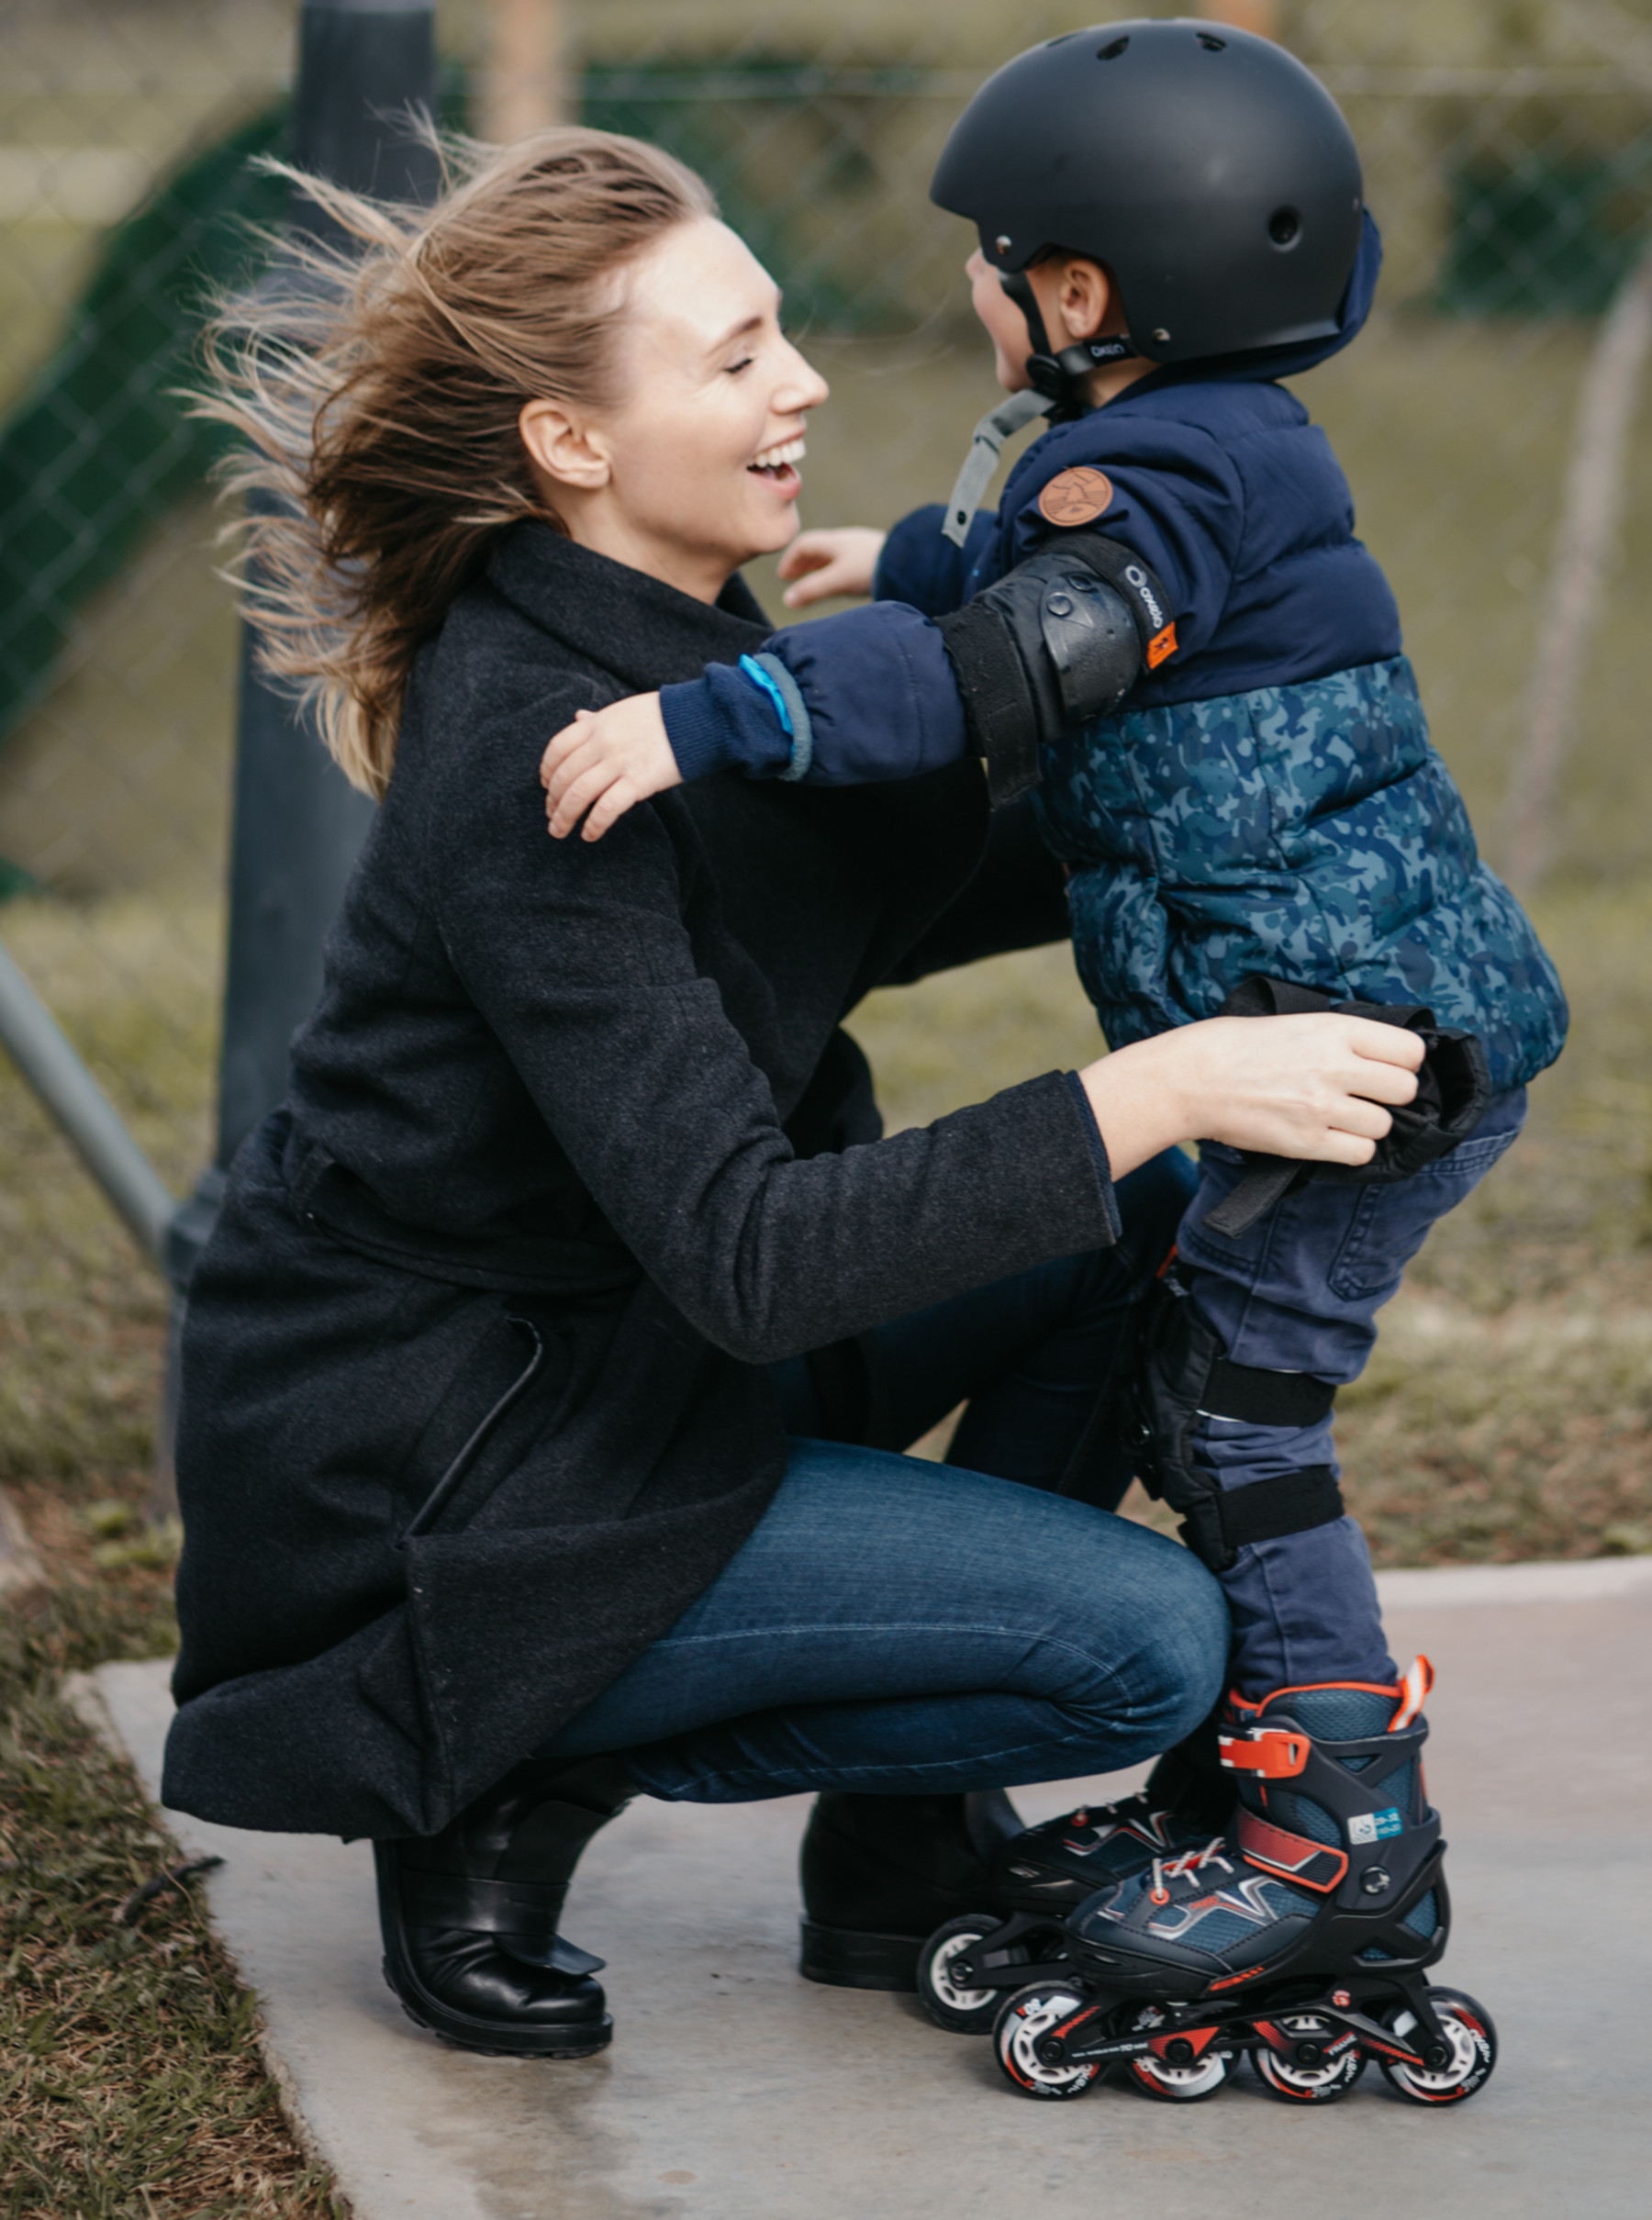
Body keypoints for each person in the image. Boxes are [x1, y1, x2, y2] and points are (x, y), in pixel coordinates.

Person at [164, 120, 1427, 2066]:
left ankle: (901, 1862)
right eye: (735, 352)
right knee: (1137, 1648)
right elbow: (758, 1257)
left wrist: (1301, 816)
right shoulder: (548, 755)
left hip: (636, 1355)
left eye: (781, 336)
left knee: (1133, 1235)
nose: (807, 382)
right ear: (572, 444)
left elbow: (926, 856)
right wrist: (1167, 1072)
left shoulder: (682, 665)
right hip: (460, 1470)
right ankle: (501, 1755)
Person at [537, 28, 1568, 2015]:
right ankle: (1262, 1772)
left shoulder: (1176, 473)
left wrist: (725, 708)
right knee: (1190, 1357)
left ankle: (1336, 1827)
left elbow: (1021, 659)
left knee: (1239, 1414)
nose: (974, 290)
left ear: (1081, 299)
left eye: (996, 260)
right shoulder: (1209, 444)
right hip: (1328, 1022)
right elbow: (1043, 554)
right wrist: (897, 557)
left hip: (1353, 1055)